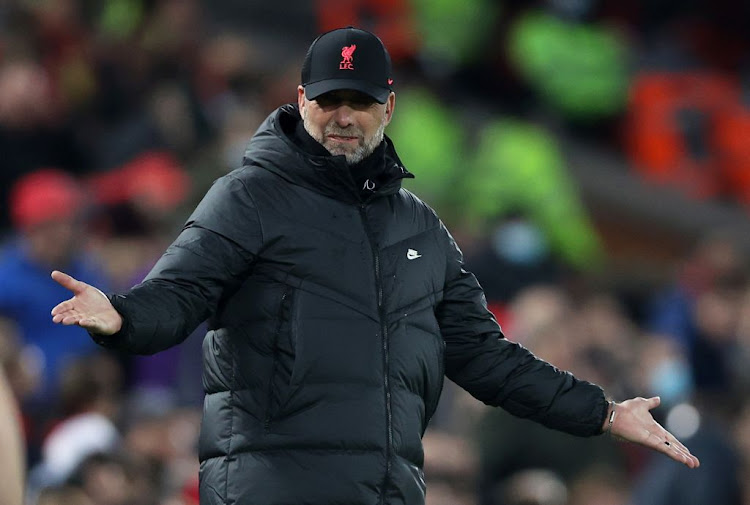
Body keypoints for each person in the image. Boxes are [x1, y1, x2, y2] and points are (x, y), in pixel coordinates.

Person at [51, 27, 699, 505]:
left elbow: (487, 357)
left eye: (358, 101)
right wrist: (122, 315)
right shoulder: (249, 196)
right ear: (301, 100)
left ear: (388, 109)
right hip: (271, 488)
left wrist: (602, 411)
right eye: (329, 99)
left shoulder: (419, 226)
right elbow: (182, 290)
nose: (342, 116)